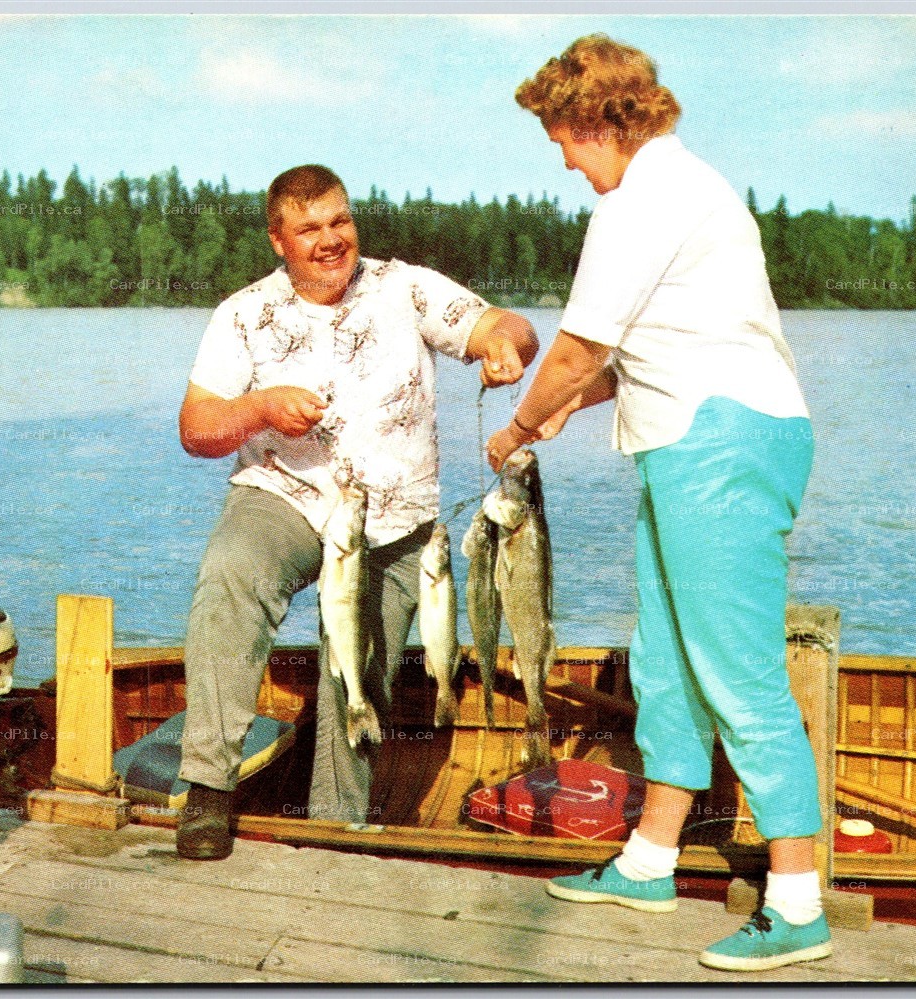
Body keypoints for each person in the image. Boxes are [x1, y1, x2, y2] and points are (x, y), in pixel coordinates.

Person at [487, 36, 830, 972]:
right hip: (693, 435)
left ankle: (799, 904)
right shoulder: (686, 189)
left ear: (597, 120)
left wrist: (516, 429)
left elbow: (575, 349)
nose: (562, 158)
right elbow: (635, 353)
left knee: (740, 671)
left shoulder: (642, 201)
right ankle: (649, 859)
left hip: (718, 444)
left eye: (561, 136)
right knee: (670, 662)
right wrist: (565, 403)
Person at [176, 164, 538, 860]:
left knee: (360, 664)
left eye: (340, 220)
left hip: (396, 516)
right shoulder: (244, 312)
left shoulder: (406, 286)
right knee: (231, 572)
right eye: (309, 228)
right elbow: (197, 427)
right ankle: (208, 792)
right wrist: (259, 407)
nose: (331, 239)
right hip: (285, 494)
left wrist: (505, 346)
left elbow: (508, 326)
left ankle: (333, 827)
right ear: (278, 238)